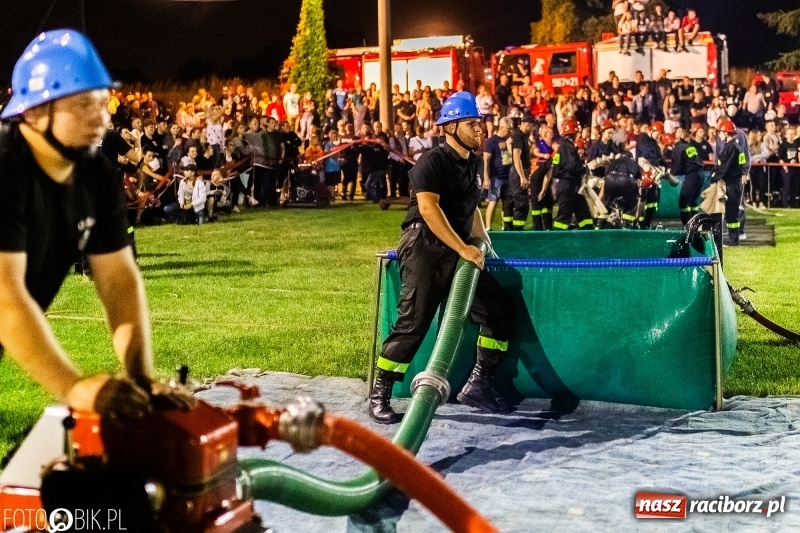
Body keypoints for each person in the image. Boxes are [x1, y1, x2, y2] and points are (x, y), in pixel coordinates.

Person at [0, 29, 193, 418]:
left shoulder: (96, 176)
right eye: (84, 104)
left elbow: (119, 279)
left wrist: (140, 378)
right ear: (35, 111)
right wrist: (74, 388)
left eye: (104, 104)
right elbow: (4, 295)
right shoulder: (5, 165)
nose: (102, 119)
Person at [371, 92, 515, 424]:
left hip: (460, 251)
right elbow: (427, 208)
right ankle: (381, 394)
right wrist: (463, 248)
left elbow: (472, 209)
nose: (478, 129)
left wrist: (483, 243)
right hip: (425, 245)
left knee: (499, 308)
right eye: (470, 124)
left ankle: (478, 385)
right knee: (414, 321)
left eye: (479, 123)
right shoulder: (432, 161)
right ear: (449, 127)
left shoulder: (475, 163)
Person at [550, 119, 593, 230]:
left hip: (572, 185)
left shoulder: (566, 146)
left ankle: (587, 236)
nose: (579, 134)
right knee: (564, 217)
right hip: (567, 185)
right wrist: (584, 169)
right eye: (577, 132)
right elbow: (572, 166)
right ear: (573, 133)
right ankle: (557, 240)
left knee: (584, 214)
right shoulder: (567, 147)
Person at [711, 119, 747, 245]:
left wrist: (715, 177)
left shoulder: (731, 147)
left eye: (721, 132)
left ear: (726, 133)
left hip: (731, 182)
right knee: (732, 210)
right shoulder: (734, 146)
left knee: (732, 211)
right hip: (733, 182)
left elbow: (725, 166)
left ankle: (734, 239)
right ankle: (734, 238)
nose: (719, 135)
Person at [482, 117, 512, 230]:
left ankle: (505, 226)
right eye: (508, 128)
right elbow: (486, 160)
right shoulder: (491, 141)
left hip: (508, 175)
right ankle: (488, 227)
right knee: (493, 201)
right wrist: (486, 177)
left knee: (507, 203)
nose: (510, 131)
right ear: (502, 127)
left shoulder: (509, 140)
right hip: (496, 176)